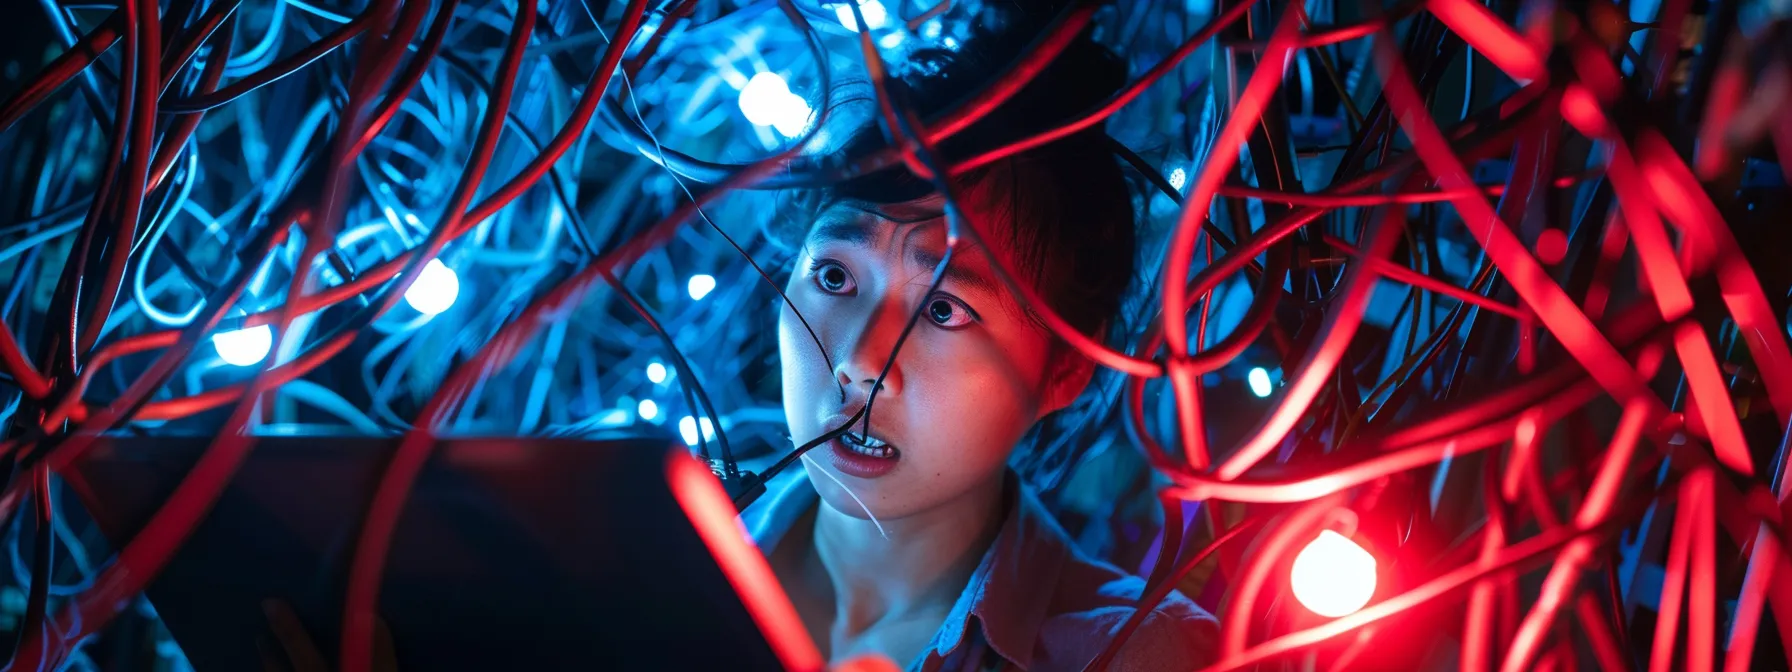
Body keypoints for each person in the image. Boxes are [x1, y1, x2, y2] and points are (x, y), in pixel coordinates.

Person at [743, 8, 1219, 671]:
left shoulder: (1134, 656)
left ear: (1066, 369)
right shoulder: (650, 540)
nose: (859, 363)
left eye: (943, 310)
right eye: (834, 277)